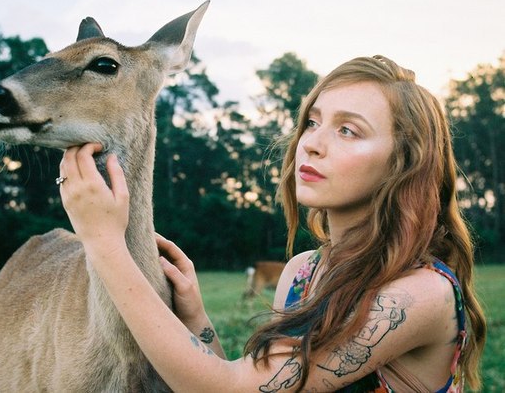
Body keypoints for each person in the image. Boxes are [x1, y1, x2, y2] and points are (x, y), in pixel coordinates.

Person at [58, 55, 486, 392]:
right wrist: (196, 318)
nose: (311, 143)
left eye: (348, 131)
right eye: (313, 122)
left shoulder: (421, 293)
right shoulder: (303, 272)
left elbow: (232, 390)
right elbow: (252, 381)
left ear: (404, 162)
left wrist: (104, 244)